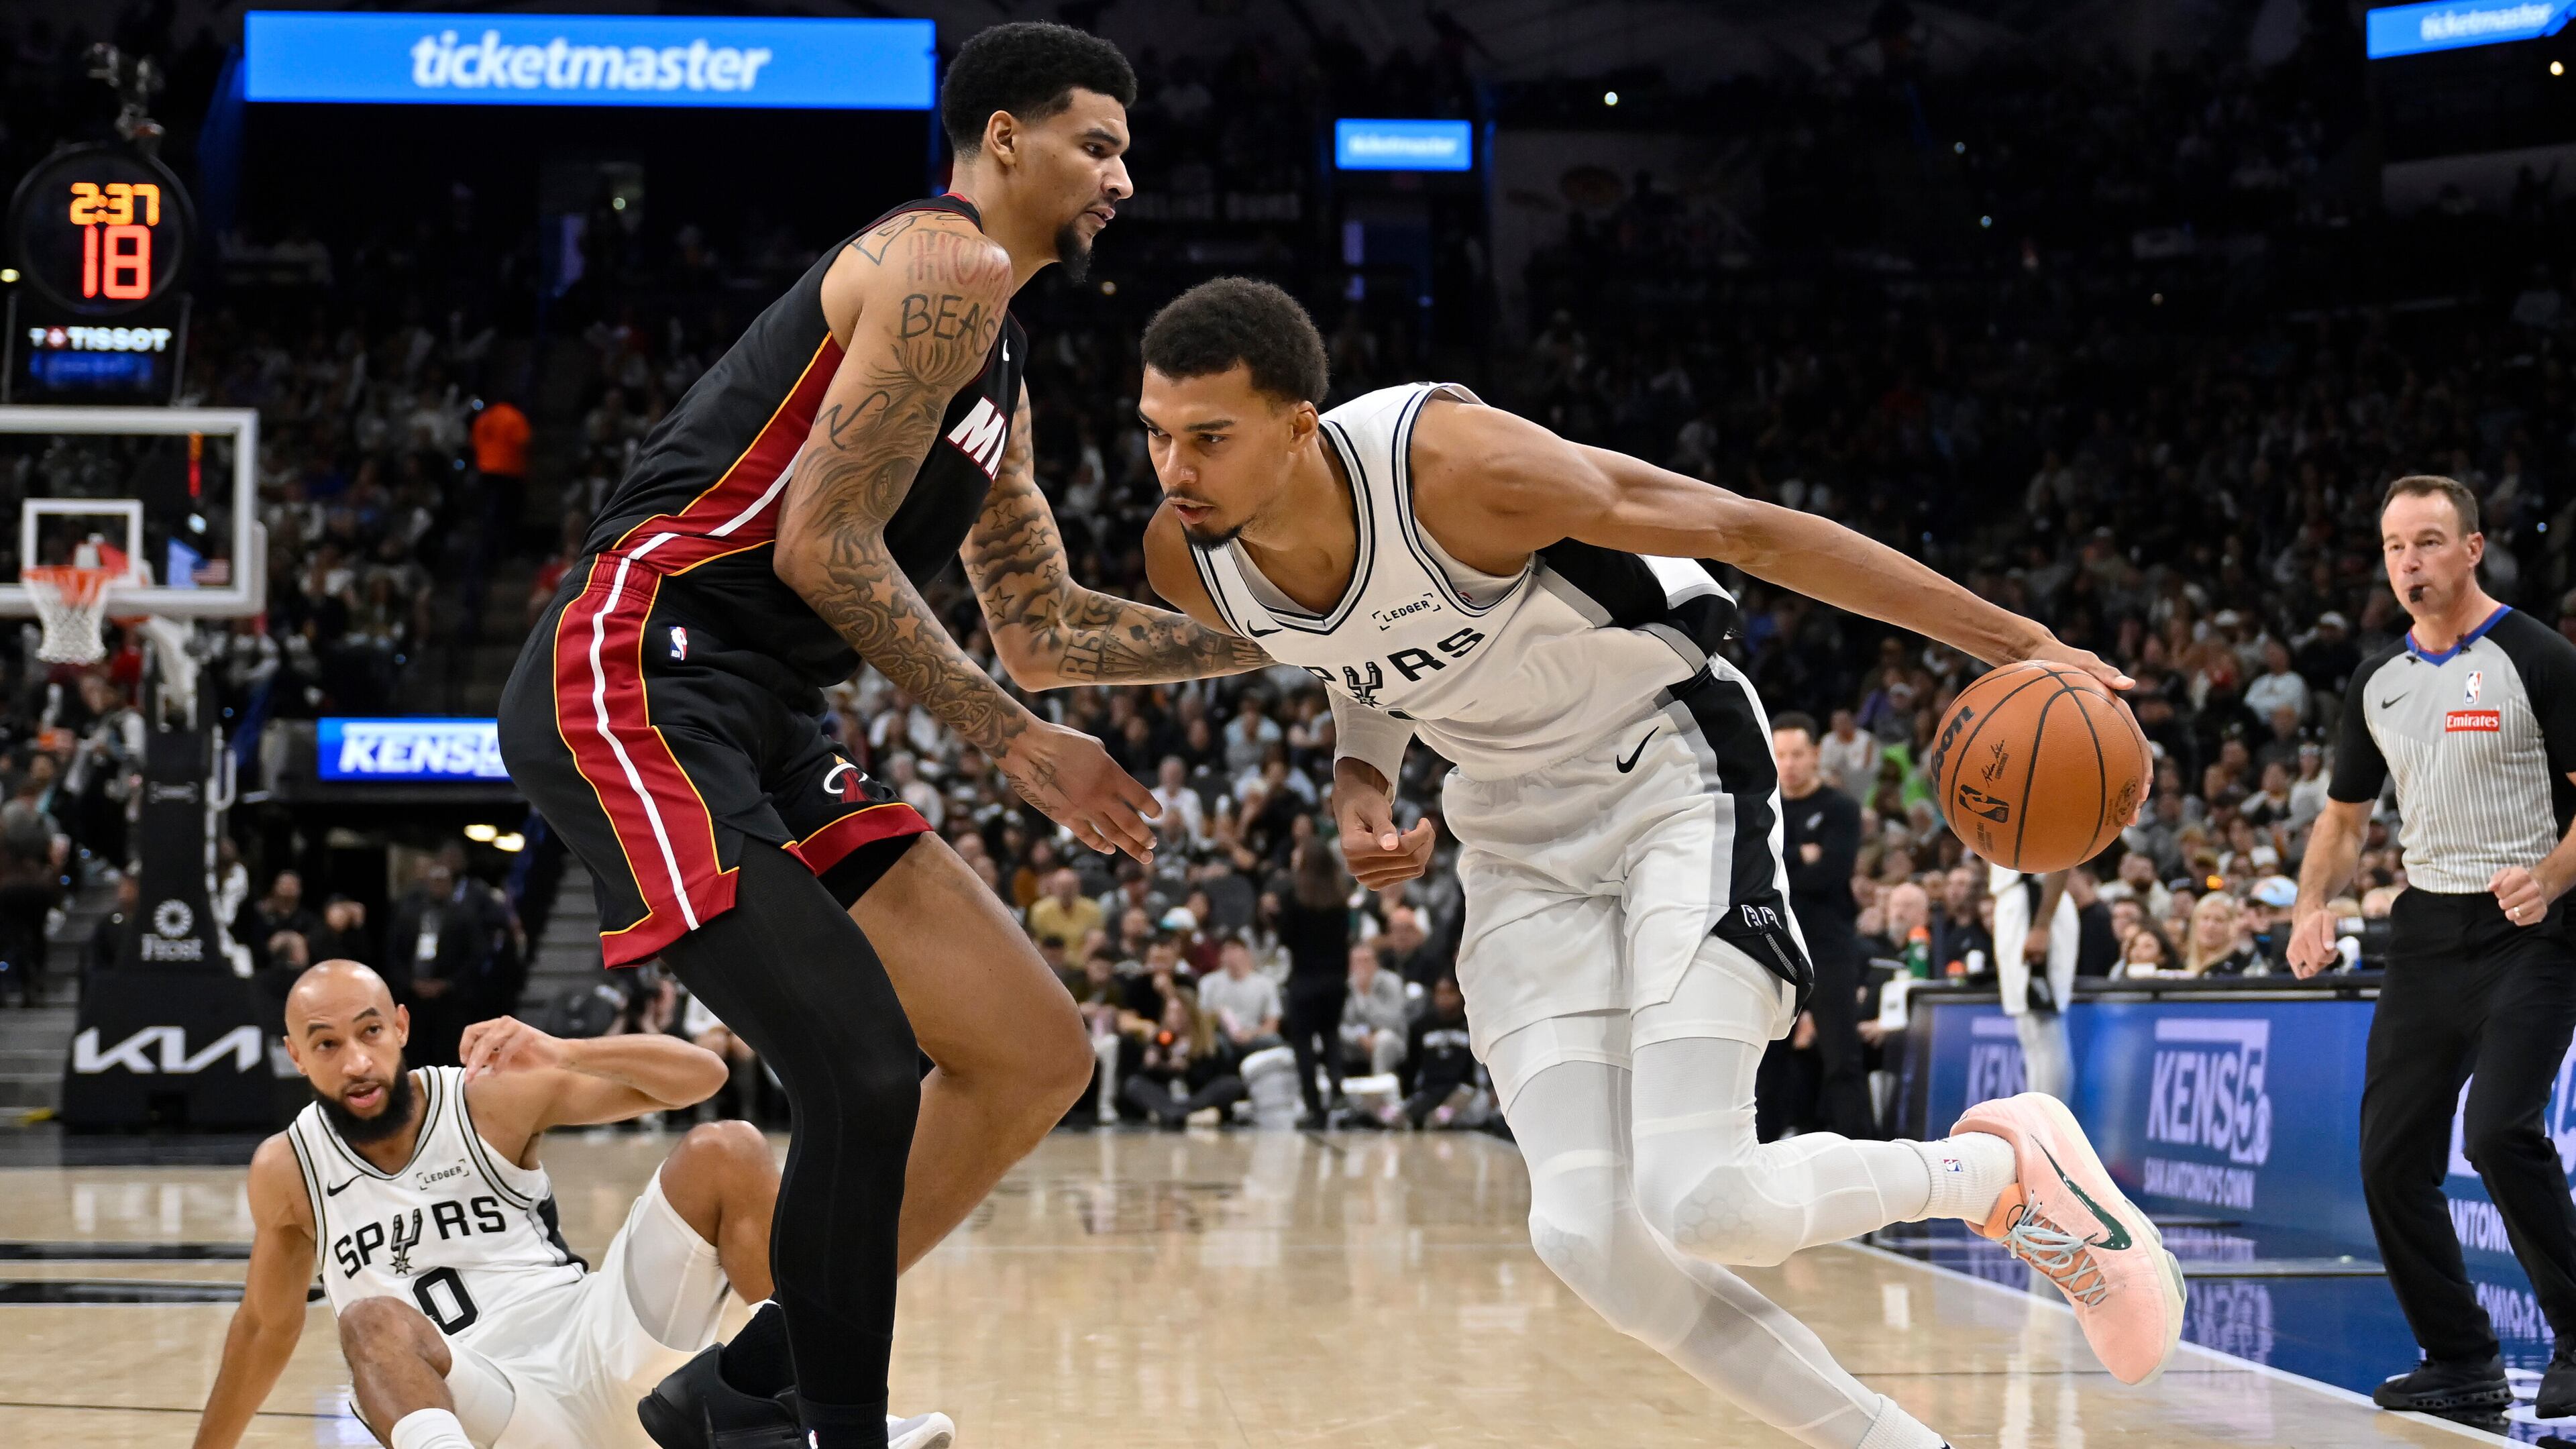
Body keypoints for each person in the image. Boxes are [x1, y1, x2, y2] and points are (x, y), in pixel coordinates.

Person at [1125, 276, 2183, 1447]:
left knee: (1704, 1196)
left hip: (1669, 768)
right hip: (1516, 839)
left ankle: (2001, 1175)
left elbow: (1748, 530)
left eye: (1209, 439)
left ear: (1298, 427)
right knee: (1587, 1238)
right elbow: (1356, 655)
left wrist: (2018, 639)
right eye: (1158, 436)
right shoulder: (1192, 556)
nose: (1176, 471)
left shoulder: (1463, 470)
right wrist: (1361, 775)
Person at [492, 25, 1269, 1447]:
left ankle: (741, 1386)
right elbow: (820, 543)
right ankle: (832, 1430)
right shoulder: (941, 262)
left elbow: (1040, 626)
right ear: (1005, 138)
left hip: (769, 708)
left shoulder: (1003, 369)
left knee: (1036, 1051)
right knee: (859, 1067)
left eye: (1129, 153)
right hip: (643, 659)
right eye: (1098, 145)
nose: (1123, 180)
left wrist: (1288, 635)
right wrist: (1012, 744)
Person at [186, 961, 951, 1449]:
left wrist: (565, 1050)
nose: (356, 1061)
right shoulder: (288, 1169)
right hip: (489, 1406)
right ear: (294, 1055)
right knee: (367, 1322)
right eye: (325, 1045)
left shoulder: (485, 1096)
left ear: (402, 1028)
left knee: (729, 1150)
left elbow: (701, 1078)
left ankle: (826, 1422)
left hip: (600, 1348)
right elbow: (264, 1327)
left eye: (371, 1032)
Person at [2290, 474, 2576, 1424]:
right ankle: (2461, 1360)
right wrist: (2311, 904)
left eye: (2426, 542)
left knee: (2499, 1130)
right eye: (2393, 547)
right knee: (2389, 1160)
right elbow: (2342, 819)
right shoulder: (2379, 682)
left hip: (2533, 931)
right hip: (2425, 933)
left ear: (2472, 548)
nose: (2408, 562)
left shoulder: (2538, 657)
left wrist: (2554, 876)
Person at [1772, 711, 1874, 1138]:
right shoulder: (1761, 808)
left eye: (1797, 754)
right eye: (1780, 755)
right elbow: (1748, 872)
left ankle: (1867, 1150)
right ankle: (1762, 1151)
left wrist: (1782, 862)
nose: (1789, 764)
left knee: (1842, 1056)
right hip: (1775, 945)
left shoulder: (1841, 808)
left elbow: (1832, 872)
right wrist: (1800, 854)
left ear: (1816, 754)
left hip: (1828, 944)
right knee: (1767, 1055)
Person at [1275, 839, 1352, 1126]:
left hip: (1304, 980)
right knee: (1331, 1036)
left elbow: (1286, 939)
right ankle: (1337, 1089)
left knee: (1303, 1044)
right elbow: (1345, 940)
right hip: (1335, 980)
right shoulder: (1340, 897)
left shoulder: (1292, 896)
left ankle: (1314, 1108)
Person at [1989, 862, 2077, 1100]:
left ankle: (2051, 1126)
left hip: (2036, 903)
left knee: (2045, 1025)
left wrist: (2042, 925)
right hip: (2018, 903)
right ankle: (2037, 1121)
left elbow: (2063, 857)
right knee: (2029, 1029)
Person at [1340, 940, 1409, 1077]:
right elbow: (1338, 1025)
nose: (1362, 966)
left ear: (1376, 962)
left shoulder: (1392, 983)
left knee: (1383, 1039)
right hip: (1355, 1044)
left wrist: (1367, 996)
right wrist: (1359, 1037)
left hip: (1390, 1040)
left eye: (1367, 960)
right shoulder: (1344, 986)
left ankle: (1379, 1087)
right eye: (1358, 961)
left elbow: (1393, 1021)